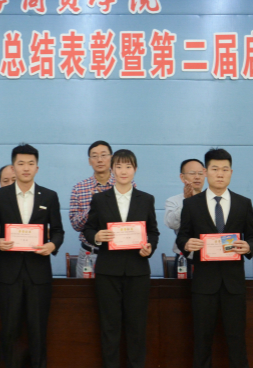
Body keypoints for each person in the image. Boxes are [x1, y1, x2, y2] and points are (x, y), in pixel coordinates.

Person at [0, 144, 65, 368]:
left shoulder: (49, 196)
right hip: (8, 272)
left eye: (30, 163)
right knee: (9, 330)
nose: (26, 168)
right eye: (21, 163)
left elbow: (58, 231)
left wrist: (52, 245)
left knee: (38, 331)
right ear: (13, 167)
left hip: (38, 273)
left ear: (37, 168)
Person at [176, 148, 253, 368]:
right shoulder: (191, 204)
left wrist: (248, 247)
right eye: (214, 169)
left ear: (231, 172)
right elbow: (182, 236)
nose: (220, 174)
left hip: (234, 283)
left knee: (236, 339)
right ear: (205, 172)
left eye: (224, 169)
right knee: (202, 339)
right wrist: (187, 244)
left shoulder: (243, 203)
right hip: (204, 283)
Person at [83, 149, 159, 368]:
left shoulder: (146, 199)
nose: (123, 171)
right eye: (118, 166)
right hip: (108, 271)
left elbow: (153, 232)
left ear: (135, 169)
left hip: (137, 270)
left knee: (137, 327)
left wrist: (149, 247)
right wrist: (97, 236)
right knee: (110, 327)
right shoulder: (99, 199)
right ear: (112, 169)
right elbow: (89, 229)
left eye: (128, 166)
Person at [70, 141, 133, 278]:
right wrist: (93, 206)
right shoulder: (79, 188)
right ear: (89, 161)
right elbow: (76, 225)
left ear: (111, 158)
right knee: (85, 291)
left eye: (104, 155)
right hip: (89, 253)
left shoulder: (126, 184)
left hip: (118, 253)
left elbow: (131, 220)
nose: (99, 160)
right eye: (94, 156)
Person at [164, 159, 205, 271]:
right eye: (192, 173)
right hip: (184, 257)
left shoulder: (212, 200)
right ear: (182, 177)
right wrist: (186, 202)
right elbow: (172, 224)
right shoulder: (173, 201)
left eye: (200, 173)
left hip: (209, 255)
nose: (197, 177)